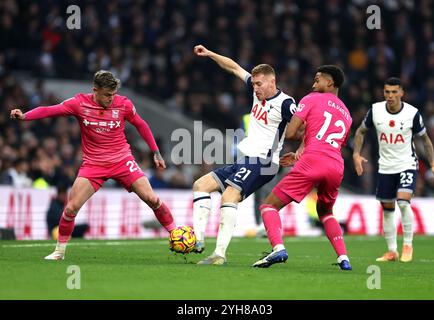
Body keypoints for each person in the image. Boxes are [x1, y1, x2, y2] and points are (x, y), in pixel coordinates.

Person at [10, 70, 177, 260]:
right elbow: (50, 110)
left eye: (113, 94)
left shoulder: (123, 104)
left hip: (123, 161)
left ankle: (176, 234)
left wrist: (155, 152)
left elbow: (141, 125)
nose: (111, 99)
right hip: (94, 164)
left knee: (152, 198)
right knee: (71, 208)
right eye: (107, 95)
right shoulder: (79, 103)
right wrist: (25, 116)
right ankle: (59, 252)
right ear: (95, 90)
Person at [191, 45, 297, 265]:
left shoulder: (286, 103)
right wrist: (210, 54)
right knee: (200, 185)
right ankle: (197, 240)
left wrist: (300, 152)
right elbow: (234, 68)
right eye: (254, 83)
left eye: (259, 84)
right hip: (245, 159)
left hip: (264, 161)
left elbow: (305, 125)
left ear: (272, 81)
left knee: (229, 197)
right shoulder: (257, 91)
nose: (255, 88)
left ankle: (219, 254)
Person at [252, 65, 353, 270]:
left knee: (268, 205)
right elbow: (327, 139)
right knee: (326, 212)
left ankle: (278, 248)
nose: (313, 84)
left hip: (312, 161)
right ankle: (344, 258)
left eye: (317, 80)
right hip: (335, 165)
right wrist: (302, 151)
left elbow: (290, 133)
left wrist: (303, 149)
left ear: (330, 83)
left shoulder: (310, 99)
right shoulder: (347, 114)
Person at [352, 77, 434, 262]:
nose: (390, 96)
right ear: (383, 93)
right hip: (385, 167)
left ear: (402, 93)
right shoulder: (375, 111)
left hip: (407, 164)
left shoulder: (412, 113)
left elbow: (425, 140)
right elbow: (360, 131)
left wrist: (432, 165)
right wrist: (356, 154)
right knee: (387, 209)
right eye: (387, 92)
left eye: (394, 92)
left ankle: (408, 245)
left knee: (403, 202)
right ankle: (392, 251)